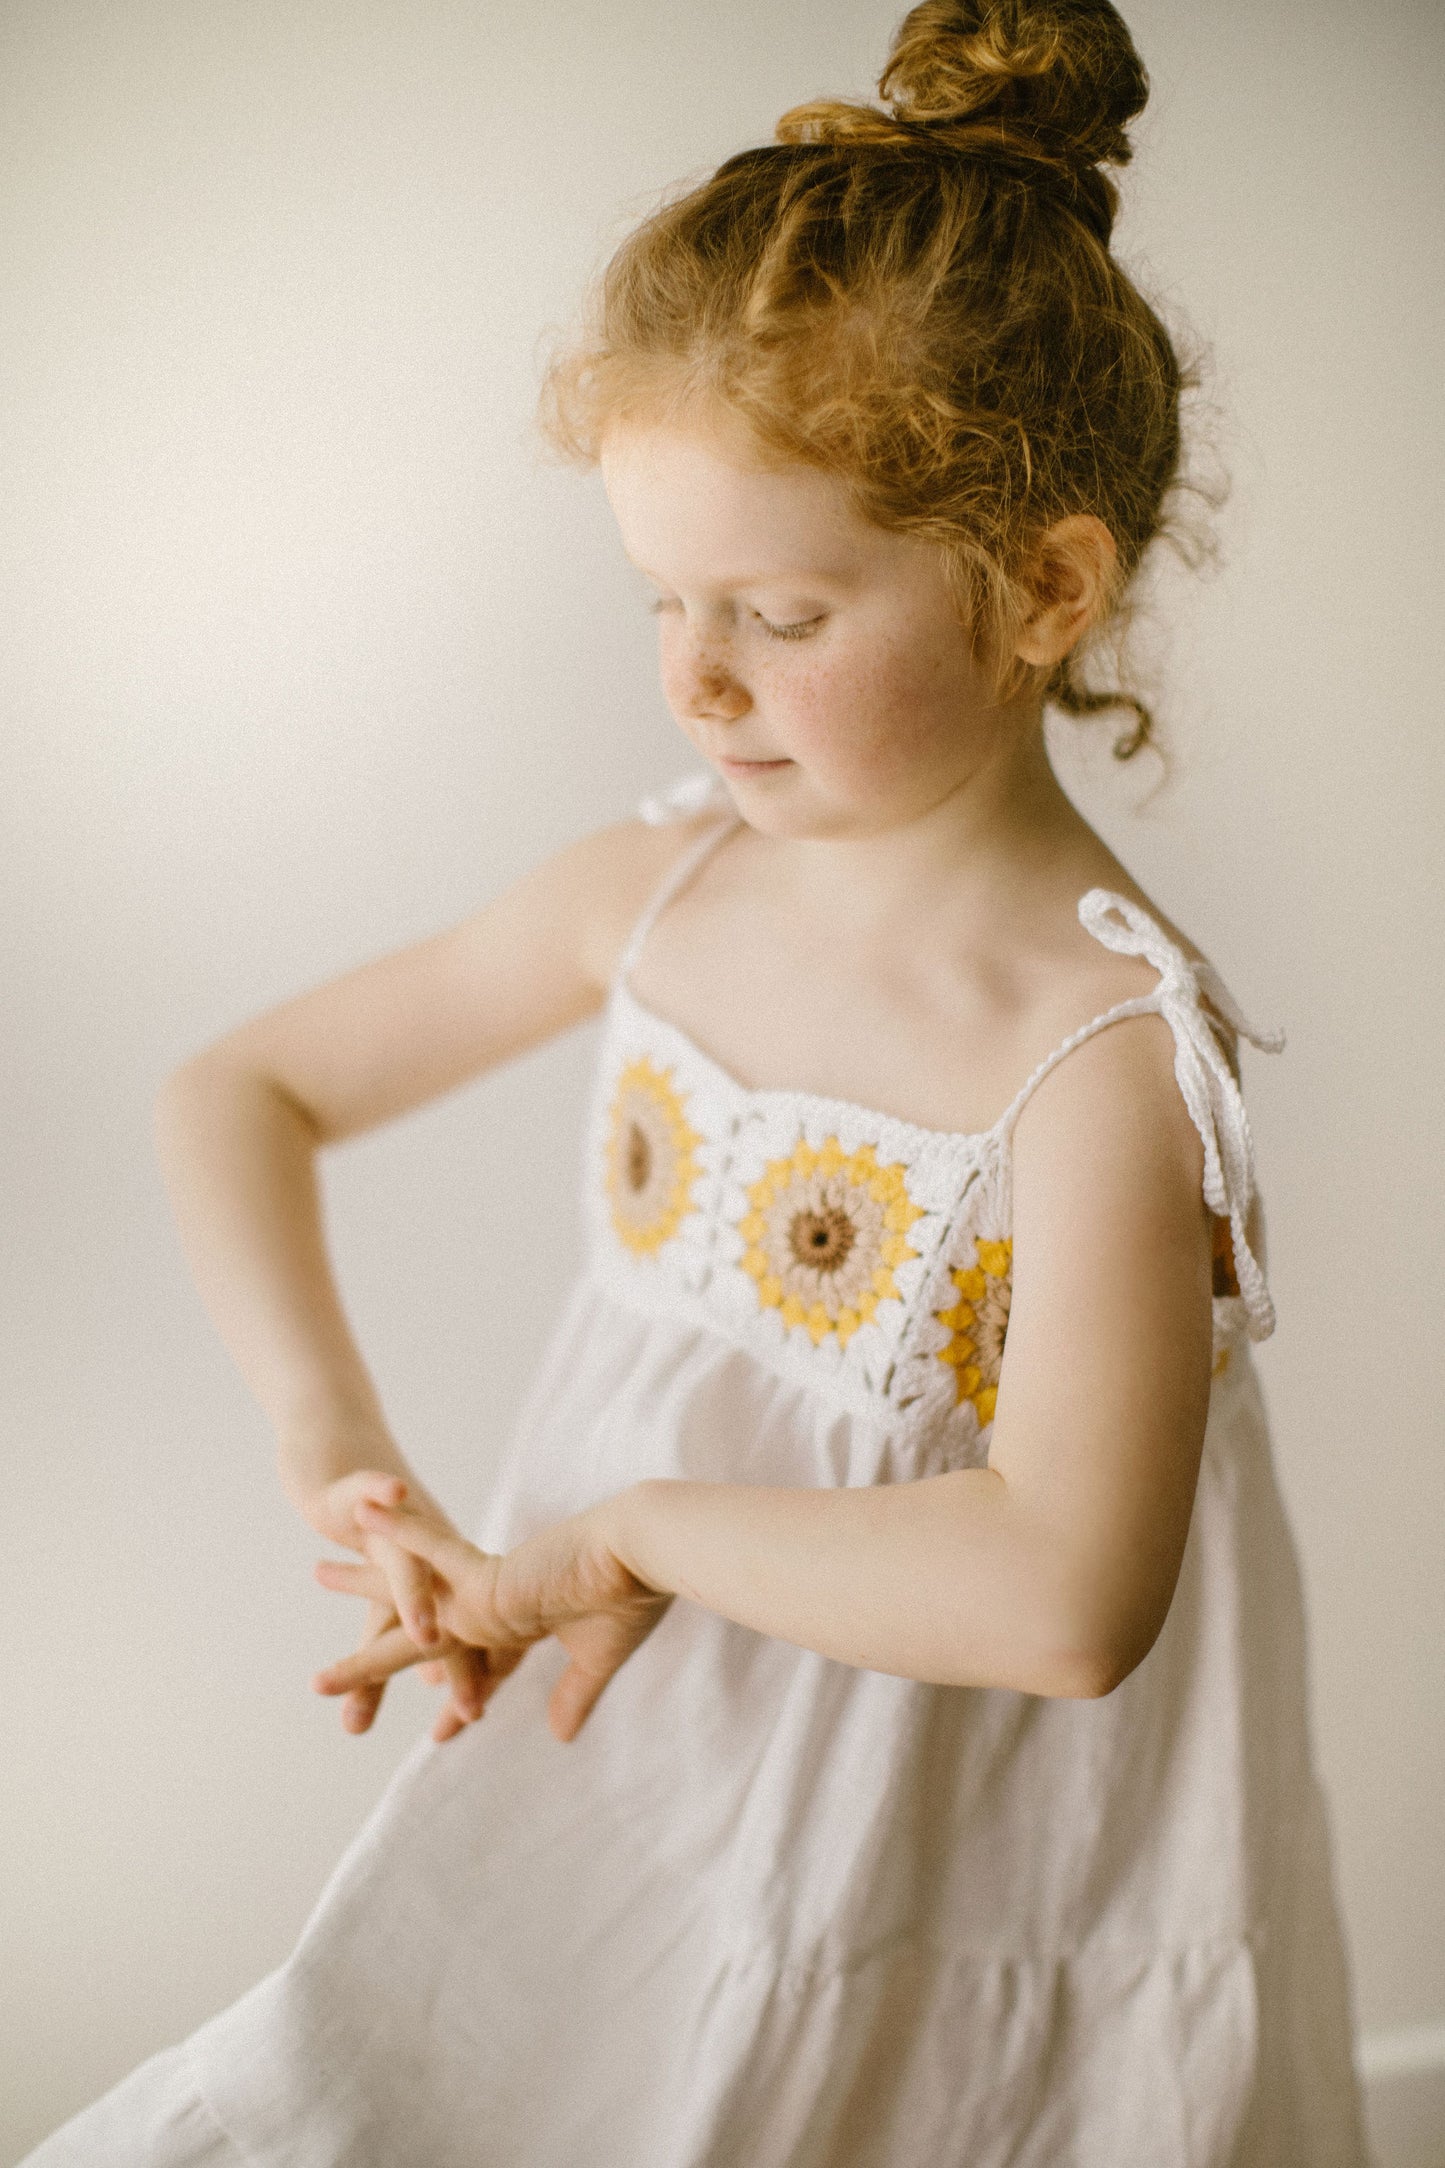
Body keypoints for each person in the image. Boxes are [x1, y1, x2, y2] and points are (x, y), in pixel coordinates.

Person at [25, 2, 1369, 2162]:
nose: (696, 672)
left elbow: (1061, 1595)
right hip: (646, 1751)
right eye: (663, 595)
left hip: (963, 1826)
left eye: (775, 607)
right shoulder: (655, 896)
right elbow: (236, 1091)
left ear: (1042, 586)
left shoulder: (1100, 1064)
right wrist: (339, 1453)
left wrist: (633, 1528)